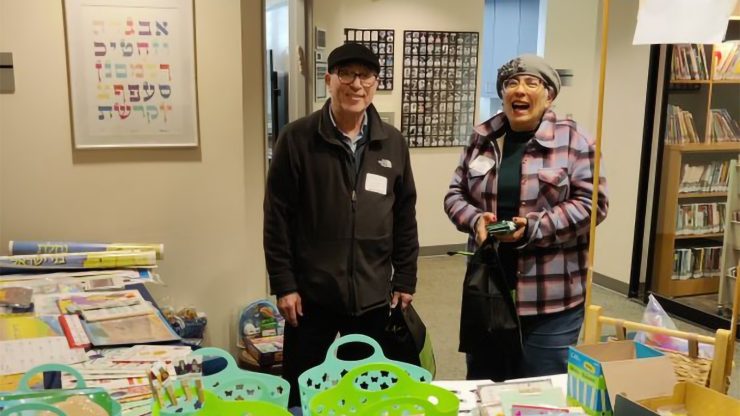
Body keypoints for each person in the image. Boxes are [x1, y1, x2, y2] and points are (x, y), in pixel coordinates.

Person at [263, 43, 419, 406]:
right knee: (301, 390)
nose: (356, 84)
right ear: (328, 79)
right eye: (346, 74)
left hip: (372, 294)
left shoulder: (392, 143)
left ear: (375, 83)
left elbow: (404, 215)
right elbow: (277, 217)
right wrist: (284, 284)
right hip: (311, 295)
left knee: (365, 392)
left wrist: (405, 277)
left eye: (366, 76)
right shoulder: (297, 138)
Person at [444, 54, 608, 381]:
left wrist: (533, 228)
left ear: (549, 95)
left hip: (550, 299)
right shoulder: (483, 138)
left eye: (532, 83)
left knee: (540, 388)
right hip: (488, 289)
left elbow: (592, 205)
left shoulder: (575, 141)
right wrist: (476, 220)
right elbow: (454, 195)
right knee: (485, 385)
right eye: (511, 83)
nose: (519, 90)